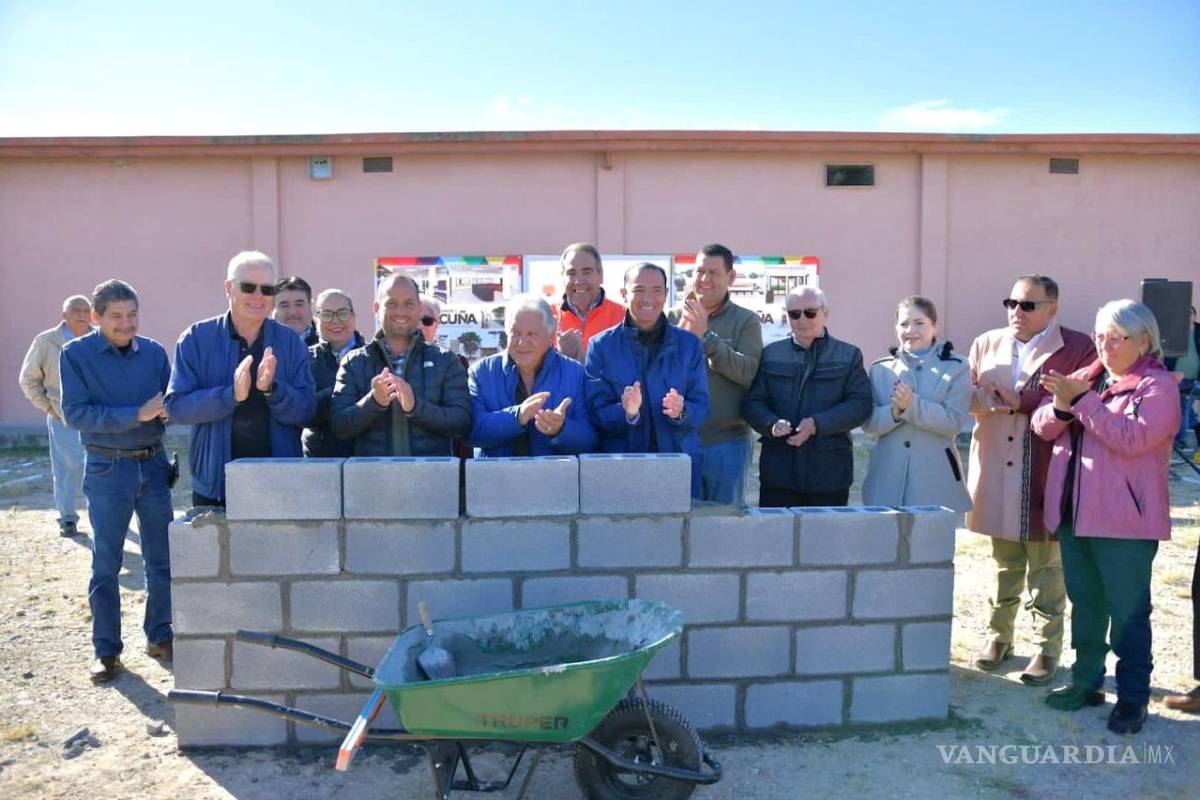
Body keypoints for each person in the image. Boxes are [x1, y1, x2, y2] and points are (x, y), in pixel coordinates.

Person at [1032, 299, 1179, 735]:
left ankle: (1133, 698)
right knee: (1087, 605)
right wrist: (1062, 406)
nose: (1105, 345)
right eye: (1100, 335)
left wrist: (1081, 405)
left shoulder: (1158, 387)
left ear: (1145, 340)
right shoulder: (1086, 379)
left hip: (1125, 524)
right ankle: (1086, 683)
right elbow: (1042, 426)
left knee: (1129, 612)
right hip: (1075, 516)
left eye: (1117, 337)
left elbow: (1133, 439)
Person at [967, 275, 1095, 686]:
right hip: (996, 465)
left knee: (1046, 567)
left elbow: (1076, 401)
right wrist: (982, 400)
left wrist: (1021, 402)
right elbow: (966, 394)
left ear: (1052, 308)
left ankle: (1046, 647)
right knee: (1004, 561)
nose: (1015, 312)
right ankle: (998, 635)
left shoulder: (1077, 347)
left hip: (1044, 468)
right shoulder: (987, 342)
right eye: (1011, 303)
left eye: (1027, 305)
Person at [59, 280, 173, 683]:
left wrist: (167, 413)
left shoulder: (156, 353)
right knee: (106, 564)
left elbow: (167, 401)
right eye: (116, 316)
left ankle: (161, 636)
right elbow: (75, 414)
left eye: (132, 314)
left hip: (154, 465)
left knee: (162, 560)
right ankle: (106, 651)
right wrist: (135, 415)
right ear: (96, 317)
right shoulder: (75, 355)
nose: (127, 324)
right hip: (108, 468)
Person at [165, 251, 316, 507]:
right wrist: (231, 395)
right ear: (228, 288)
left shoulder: (290, 342)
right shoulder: (196, 338)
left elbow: (307, 410)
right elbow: (177, 408)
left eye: (267, 289)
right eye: (248, 287)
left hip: (278, 481)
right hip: (215, 484)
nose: (258, 296)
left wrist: (273, 390)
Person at [585, 263, 709, 496]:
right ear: (624, 294)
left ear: (666, 295)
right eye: (639, 290)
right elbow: (595, 411)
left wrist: (681, 411)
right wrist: (627, 412)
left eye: (656, 290)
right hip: (623, 468)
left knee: (680, 531)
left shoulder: (688, 345)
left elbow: (701, 407)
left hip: (678, 464)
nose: (647, 299)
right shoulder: (601, 346)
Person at [742, 286, 871, 507]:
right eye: (794, 314)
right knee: (777, 538)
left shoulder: (848, 355)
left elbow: (860, 405)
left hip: (829, 472)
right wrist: (772, 424)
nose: (803, 319)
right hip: (779, 472)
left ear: (825, 313)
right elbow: (753, 403)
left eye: (810, 312)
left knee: (824, 540)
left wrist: (816, 424)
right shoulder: (771, 354)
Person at [330, 274, 470, 455]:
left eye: (408, 304)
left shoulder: (445, 360)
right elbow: (339, 426)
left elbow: (462, 422)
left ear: (419, 309)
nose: (400, 312)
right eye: (391, 304)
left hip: (431, 479)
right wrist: (374, 402)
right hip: (372, 479)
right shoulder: (355, 362)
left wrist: (415, 407)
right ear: (376, 308)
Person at [670, 244, 763, 506]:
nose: (704, 279)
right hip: (679, 441)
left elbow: (747, 373)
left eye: (713, 272)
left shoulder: (746, 321)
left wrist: (707, 338)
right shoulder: (672, 318)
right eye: (699, 271)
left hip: (727, 443)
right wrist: (679, 340)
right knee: (680, 525)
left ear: (730, 277)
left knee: (724, 525)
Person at [862, 296, 971, 512]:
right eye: (904, 324)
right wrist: (894, 412)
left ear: (935, 326)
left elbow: (953, 422)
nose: (911, 330)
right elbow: (869, 425)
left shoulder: (956, 366)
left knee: (930, 544)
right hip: (886, 478)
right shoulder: (880, 369)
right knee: (885, 544)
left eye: (919, 323)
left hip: (936, 479)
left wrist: (911, 406)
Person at [468, 295, 597, 456]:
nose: (522, 342)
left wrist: (561, 429)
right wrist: (518, 416)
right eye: (515, 333)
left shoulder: (576, 374)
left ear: (551, 335)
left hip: (554, 479)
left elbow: (591, 440)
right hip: (496, 478)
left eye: (532, 334)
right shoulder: (481, 372)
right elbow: (471, 431)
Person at [19, 295, 93, 536]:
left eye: (86, 310)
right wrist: (49, 408)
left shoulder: (100, 339)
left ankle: (102, 516)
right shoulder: (46, 341)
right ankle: (68, 518)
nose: (82, 315)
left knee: (99, 466)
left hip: (98, 416)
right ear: (64, 315)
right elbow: (28, 380)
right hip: (63, 415)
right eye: (76, 311)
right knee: (68, 467)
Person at [303, 289, 364, 458]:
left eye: (343, 314)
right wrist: (340, 390)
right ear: (316, 320)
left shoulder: (372, 356)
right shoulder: (305, 359)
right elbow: (303, 410)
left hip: (364, 457)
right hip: (320, 458)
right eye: (327, 314)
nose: (336, 321)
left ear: (354, 317)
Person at [552, 242, 625, 361]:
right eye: (571, 273)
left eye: (586, 272)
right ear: (562, 277)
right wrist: (560, 358)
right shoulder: (546, 317)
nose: (578, 281)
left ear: (600, 275)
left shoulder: (623, 317)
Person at [1164, 305, 1200, 455]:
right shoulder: (1176, 331)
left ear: (1195, 315)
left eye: (1190, 313)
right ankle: (1189, 436)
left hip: (1195, 377)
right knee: (1184, 408)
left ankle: (1181, 441)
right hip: (1177, 376)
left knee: (1185, 407)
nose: (1188, 316)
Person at [274, 276, 318, 346]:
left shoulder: (330, 345)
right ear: (273, 309)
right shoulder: (261, 345)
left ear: (310, 305)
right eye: (284, 305)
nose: (292, 312)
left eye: (299, 304)